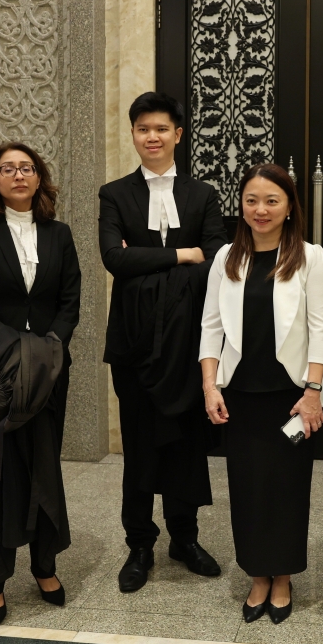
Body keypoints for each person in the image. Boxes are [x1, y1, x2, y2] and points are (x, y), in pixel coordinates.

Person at [99, 92, 229, 593]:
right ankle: (139, 544)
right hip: (132, 342)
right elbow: (114, 259)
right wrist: (183, 254)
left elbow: (216, 261)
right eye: (142, 129)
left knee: (185, 443)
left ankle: (184, 538)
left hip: (189, 343)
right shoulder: (114, 194)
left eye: (160, 128)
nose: (151, 137)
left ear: (178, 134)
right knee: (138, 445)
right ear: (133, 134)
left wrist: (148, 263)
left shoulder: (203, 194)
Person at [0, 141, 81, 624]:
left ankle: (44, 566)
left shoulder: (59, 234)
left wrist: (49, 348)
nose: (18, 175)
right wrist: (17, 350)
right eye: (7, 168)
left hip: (48, 370)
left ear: (39, 177)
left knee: (46, 466)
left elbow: (70, 300)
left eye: (27, 167)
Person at [200, 163, 323, 624]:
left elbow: (320, 328)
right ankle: (258, 574)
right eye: (252, 200)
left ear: (289, 206)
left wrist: (313, 392)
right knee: (248, 488)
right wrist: (210, 386)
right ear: (241, 205)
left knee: (288, 488)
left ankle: (284, 576)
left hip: (292, 398)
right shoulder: (226, 257)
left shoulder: (310, 257)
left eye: (272, 200)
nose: (261, 209)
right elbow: (210, 327)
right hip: (241, 396)